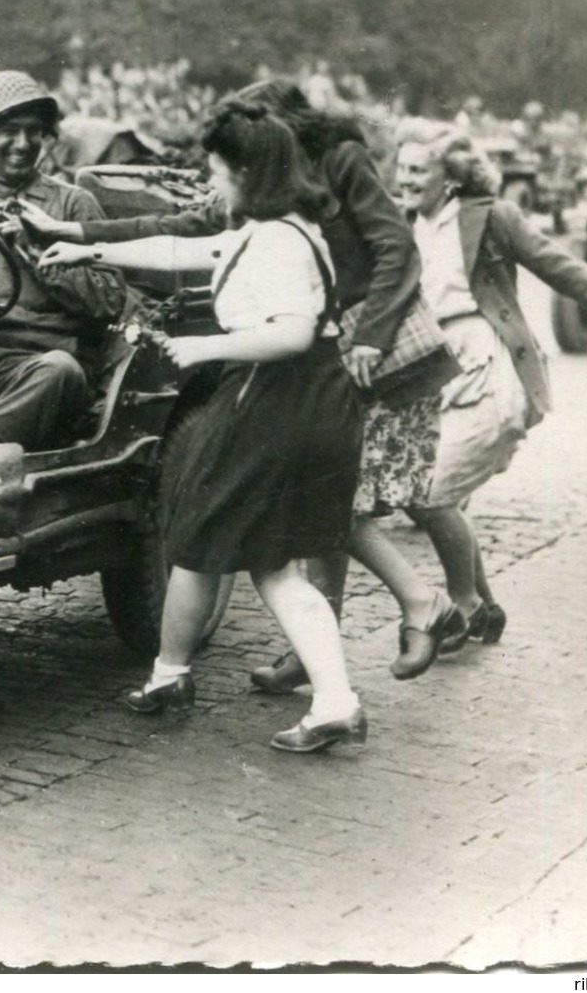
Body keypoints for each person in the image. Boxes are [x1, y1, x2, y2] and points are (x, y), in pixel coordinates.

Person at [50, 79, 441, 685]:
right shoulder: (262, 196)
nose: (216, 178)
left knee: (336, 504)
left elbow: (396, 249)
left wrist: (370, 336)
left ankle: (416, 607)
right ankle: (328, 656)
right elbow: (189, 232)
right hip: (324, 345)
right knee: (324, 506)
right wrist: (83, 238)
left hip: (362, 341)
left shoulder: (324, 173)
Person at [40, 103, 367, 753]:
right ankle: (181, 675)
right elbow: (183, 247)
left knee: (242, 554)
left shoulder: (274, 240)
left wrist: (204, 351)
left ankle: (327, 700)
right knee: (228, 548)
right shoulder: (276, 227)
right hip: (302, 402)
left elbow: (291, 333)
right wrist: (88, 242)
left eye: (217, 170)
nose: (210, 182)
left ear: (248, 172)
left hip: (279, 401)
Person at [385, 121, 587, 641]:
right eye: (400, 167)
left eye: (416, 170)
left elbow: (564, 271)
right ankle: (486, 609)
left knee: (431, 492)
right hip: (434, 370)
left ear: (448, 178)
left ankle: (467, 603)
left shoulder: (492, 217)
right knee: (425, 490)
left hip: (489, 366)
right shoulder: (400, 221)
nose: (403, 179)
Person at [0, 71, 125, 451]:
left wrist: (34, 253)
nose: (24, 144)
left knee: (59, 371)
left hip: (47, 367)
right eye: (9, 131)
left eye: (34, 131)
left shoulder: (72, 205)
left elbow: (110, 301)